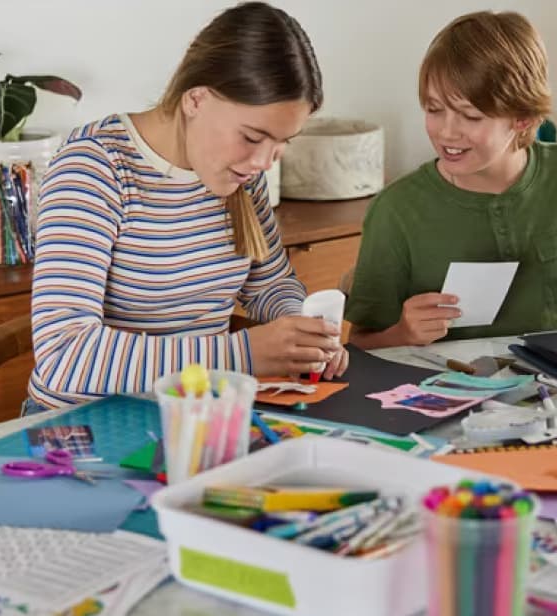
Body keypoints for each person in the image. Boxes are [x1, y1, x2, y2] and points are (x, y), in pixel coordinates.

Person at [24, 1, 342, 413]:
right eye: (252, 137)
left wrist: (304, 336)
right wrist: (241, 354)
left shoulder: (241, 175)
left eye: (282, 143)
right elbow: (64, 357)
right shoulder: (95, 168)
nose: (265, 162)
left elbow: (269, 283)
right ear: (196, 99)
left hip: (194, 414)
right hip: (85, 424)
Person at [346, 11, 557, 349]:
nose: (446, 132)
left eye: (471, 116)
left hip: (554, 378)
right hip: (436, 380)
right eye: (433, 109)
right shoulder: (396, 210)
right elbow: (359, 343)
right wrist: (403, 334)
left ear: (523, 118)